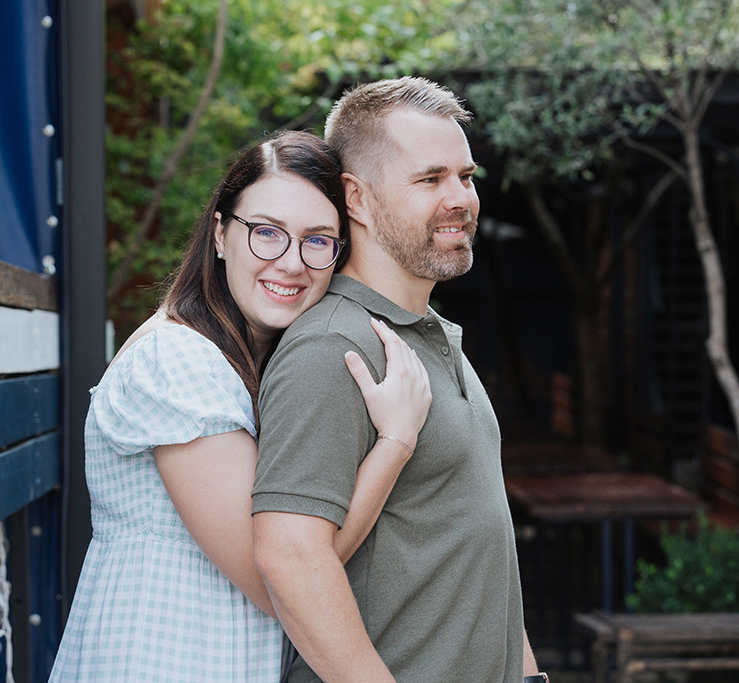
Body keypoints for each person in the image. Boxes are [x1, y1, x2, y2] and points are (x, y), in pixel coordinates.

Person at [48, 130, 432, 682]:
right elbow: (279, 578)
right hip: (160, 660)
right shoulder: (178, 360)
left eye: (318, 240)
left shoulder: (245, 364)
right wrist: (395, 442)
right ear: (222, 234)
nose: (292, 262)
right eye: (267, 233)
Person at [251, 77, 546, 683]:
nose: (460, 198)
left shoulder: (430, 334)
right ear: (355, 199)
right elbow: (291, 558)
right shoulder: (334, 345)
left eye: (466, 177)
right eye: (430, 179)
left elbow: (478, 544)